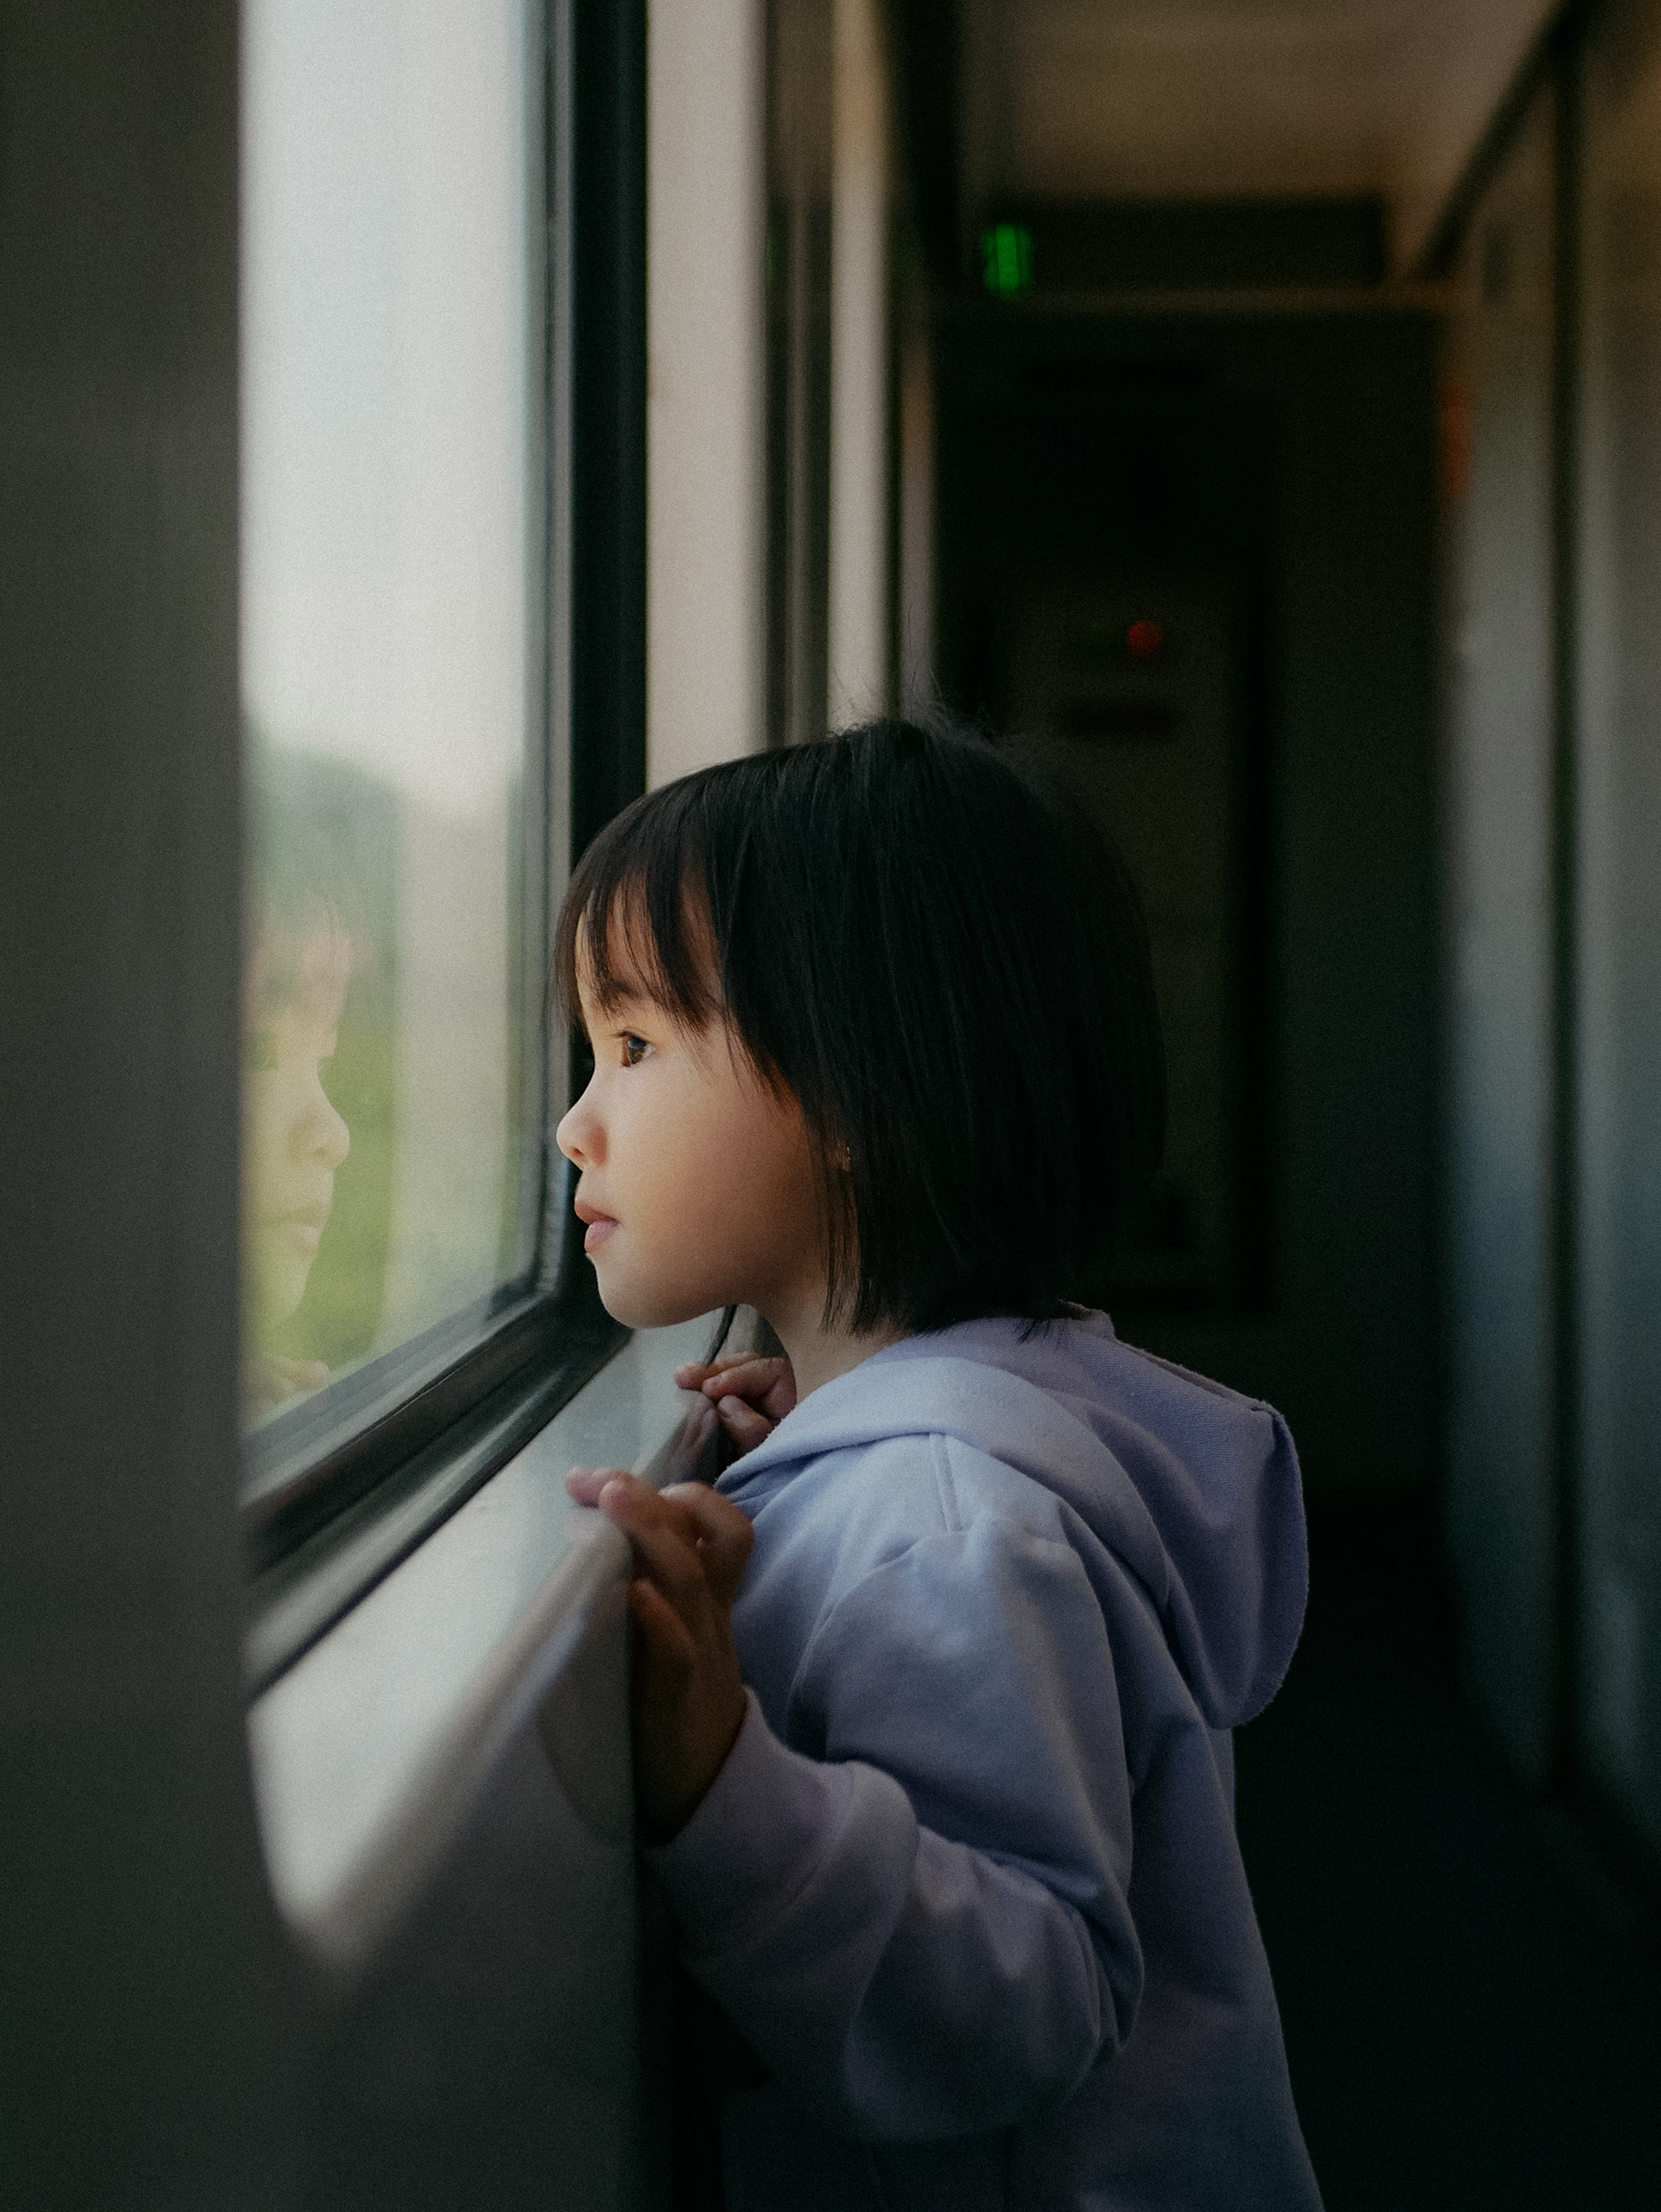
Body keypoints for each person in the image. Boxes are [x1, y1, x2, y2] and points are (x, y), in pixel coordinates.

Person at [558, 721, 1321, 2211]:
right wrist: (839, 1439)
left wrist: (728, 1782)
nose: (575, 1120)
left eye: (636, 1048)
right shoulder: (948, 1451)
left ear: (856, 1097)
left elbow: (1032, 2003)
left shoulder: (949, 1518)